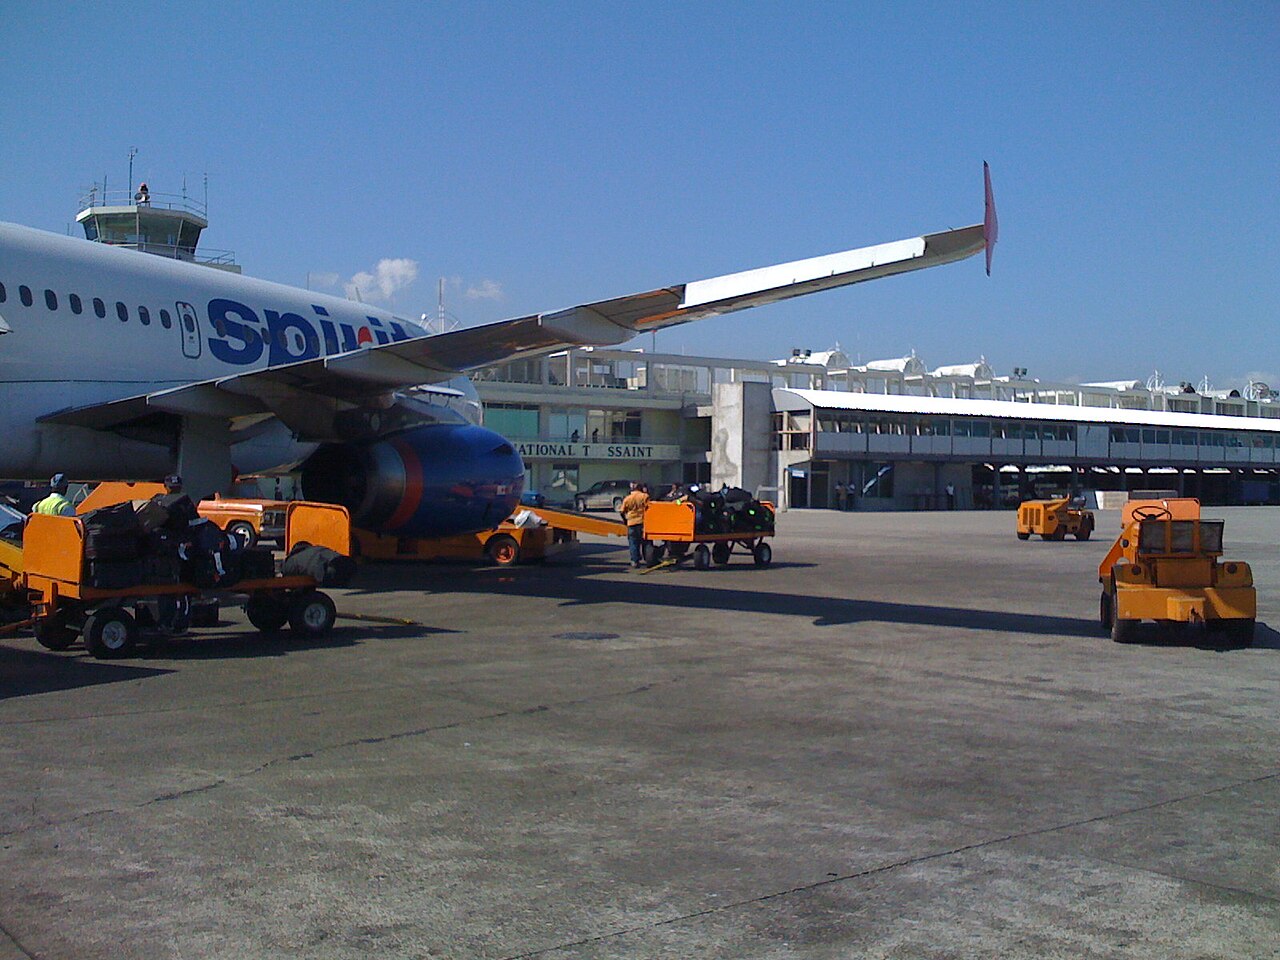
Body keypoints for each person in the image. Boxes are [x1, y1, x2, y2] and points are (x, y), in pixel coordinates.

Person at [618, 481, 650, 568]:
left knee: (633, 543)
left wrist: (625, 520)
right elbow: (649, 508)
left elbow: (622, 511)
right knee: (646, 542)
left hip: (631, 523)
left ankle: (635, 561)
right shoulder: (645, 496)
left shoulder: (627, 498)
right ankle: (648, 559)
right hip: (643, 522)